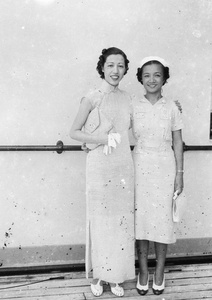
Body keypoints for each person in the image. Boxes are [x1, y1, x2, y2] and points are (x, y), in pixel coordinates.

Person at [70, 47, 135, 297]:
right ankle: (99, 275)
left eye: (120, 66)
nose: (115, 71)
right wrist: (98, 138)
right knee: (100, 220)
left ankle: (115, 275)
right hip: (99, 165)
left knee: (120, 220)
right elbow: (74, 131)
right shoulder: (92, 97)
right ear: (102, 67)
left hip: (122, 165)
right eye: (110, 65)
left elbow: (137, 124)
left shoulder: (128, 98)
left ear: (125, 69)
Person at [132, 56, 184, 296]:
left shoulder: (172, 107)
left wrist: (179, 174)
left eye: (157, 75)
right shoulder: (132, 104)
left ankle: (159, 271)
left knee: (162, 221)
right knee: (141, 222)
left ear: (164, 78)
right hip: (139, 166)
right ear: (140, 77)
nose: (151, 80)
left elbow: (177, 141)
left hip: (165, 166)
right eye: (147, 75)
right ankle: (143, 271)